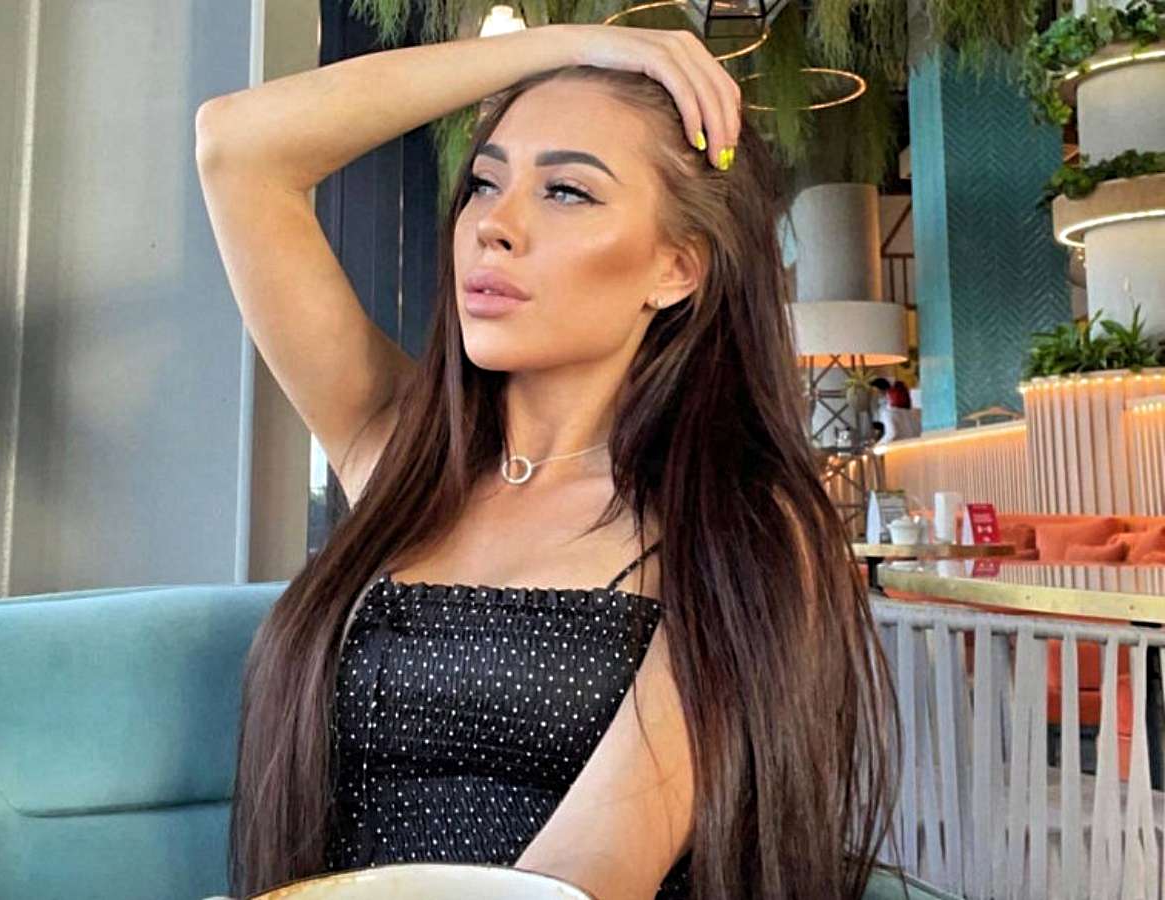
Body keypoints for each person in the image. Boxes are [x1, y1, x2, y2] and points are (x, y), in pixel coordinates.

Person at [196, 22, 899, 900]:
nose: (495, 225)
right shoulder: (397, 453)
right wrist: (569, 46)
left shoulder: (737, 530)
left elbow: (585, 877)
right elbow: (239, 147)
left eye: (566, 191)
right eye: (484, 183)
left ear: (677, 269)